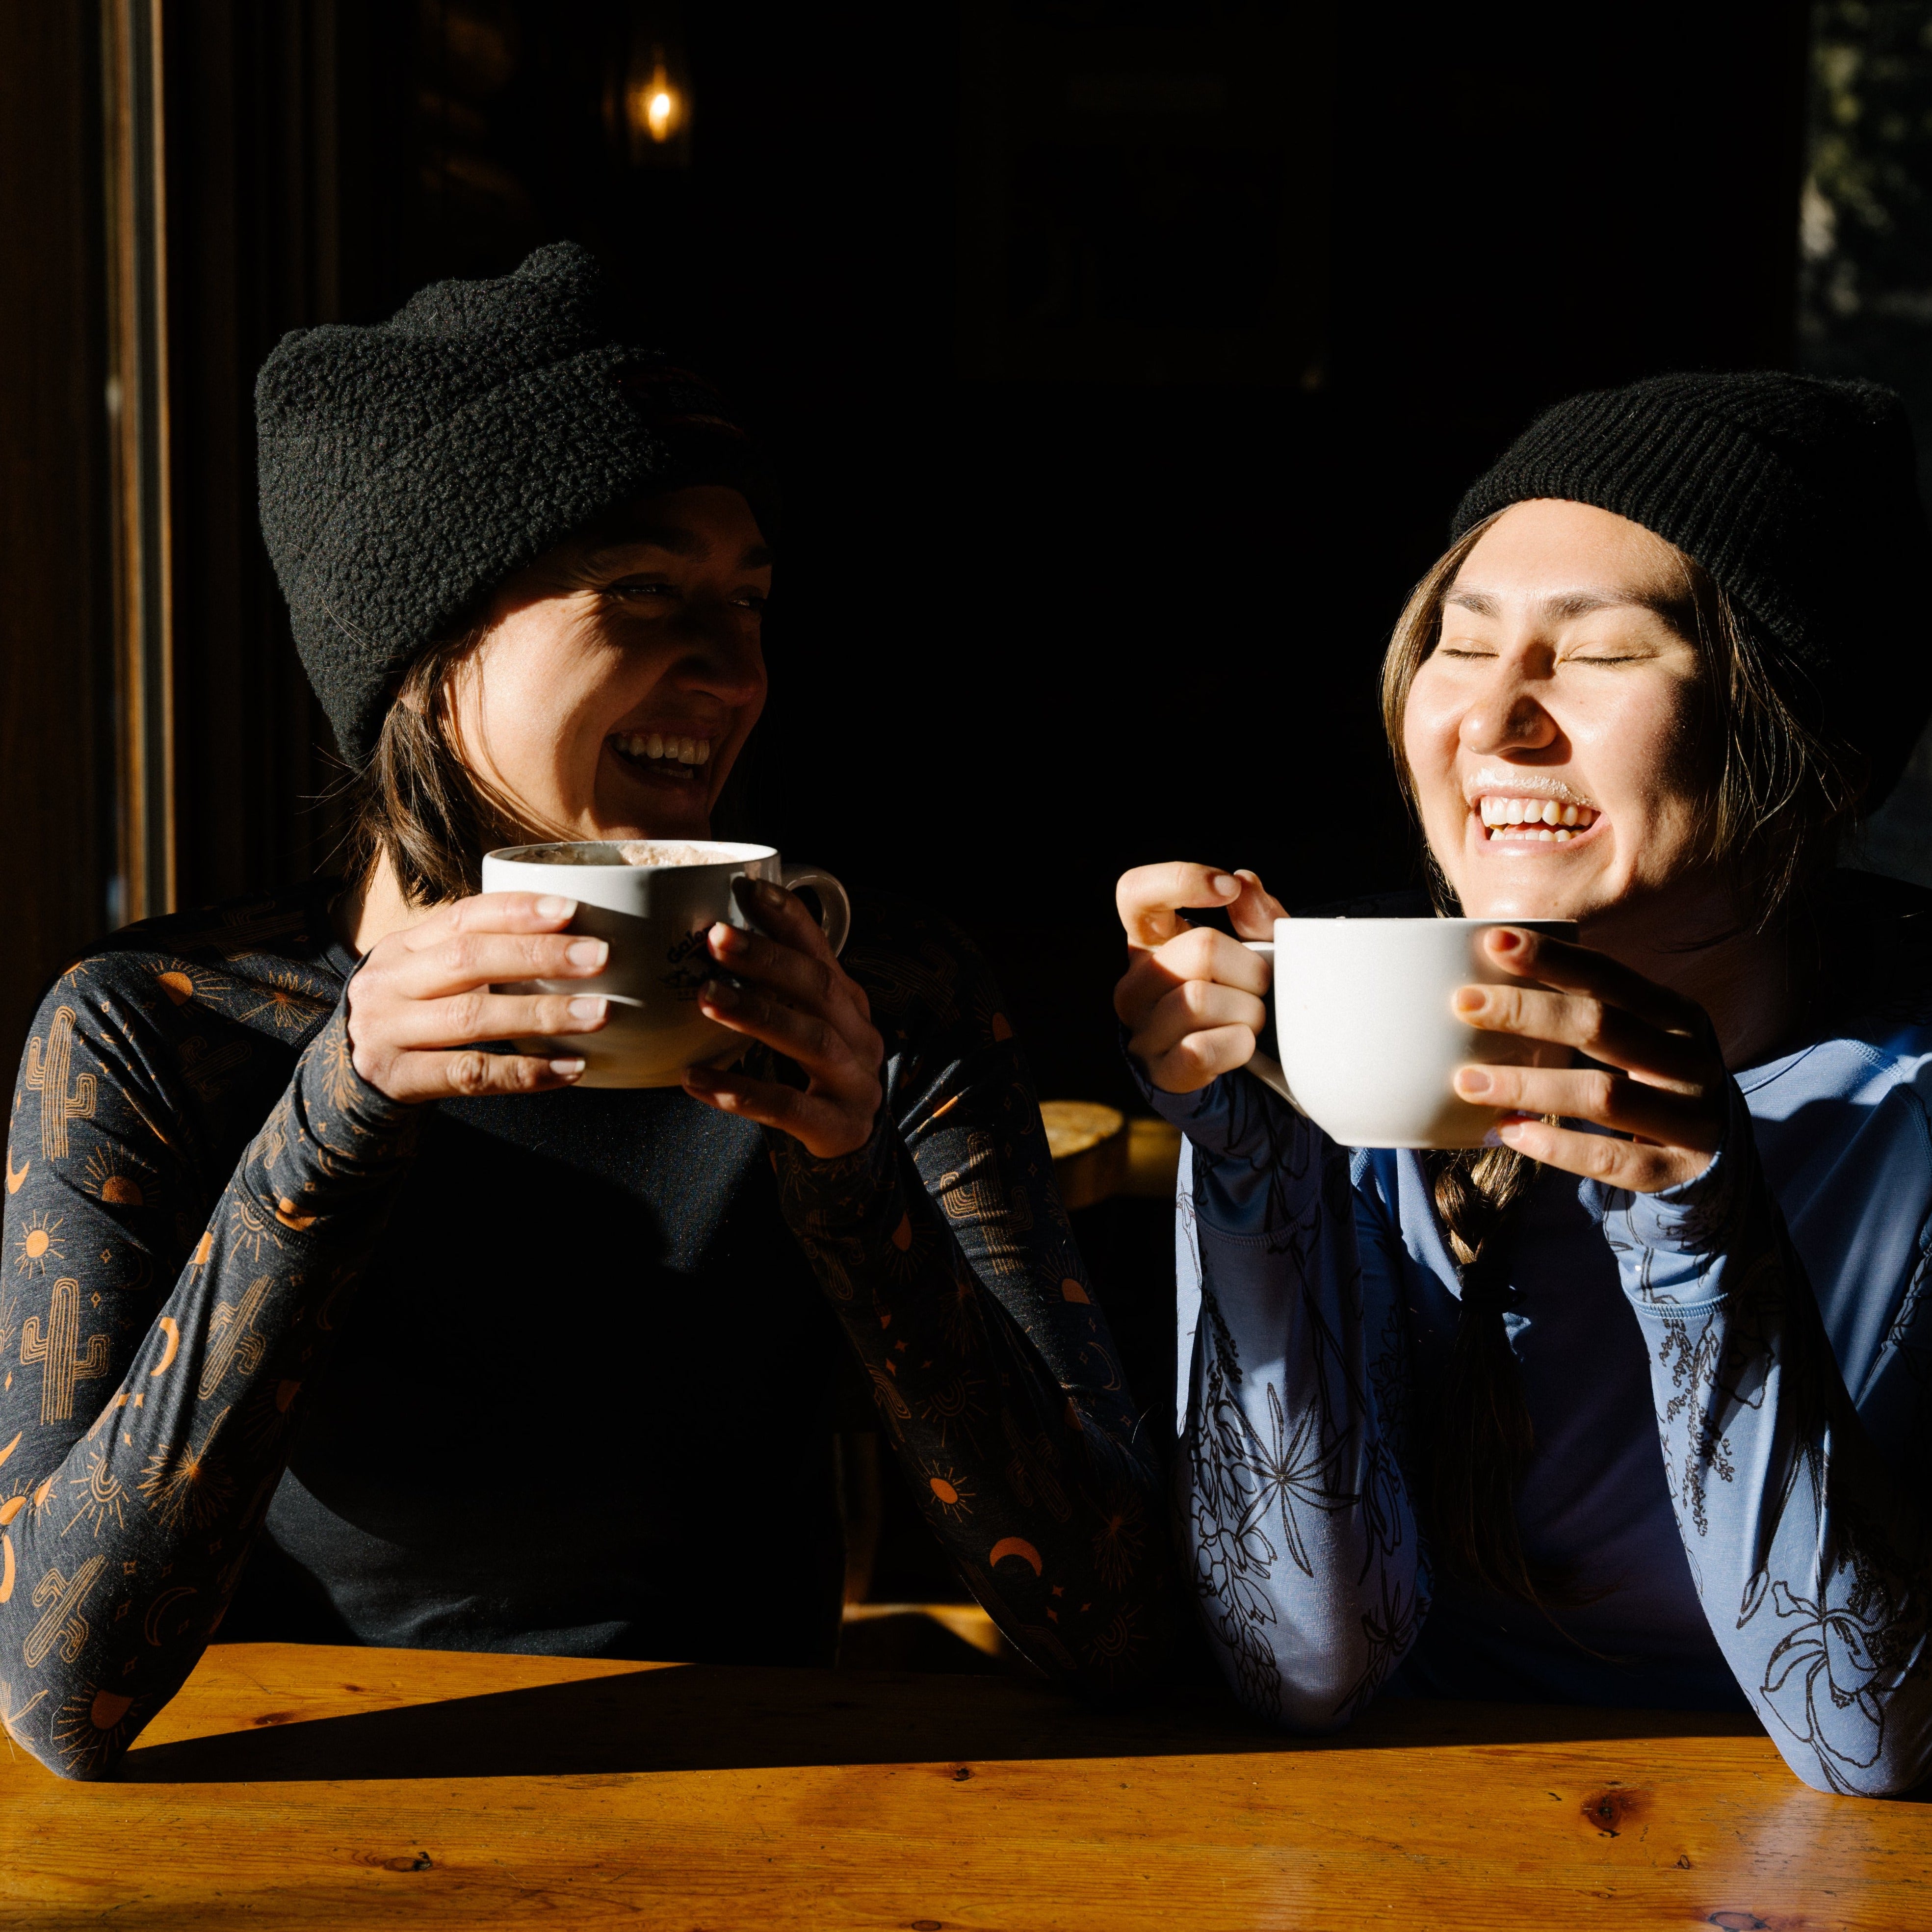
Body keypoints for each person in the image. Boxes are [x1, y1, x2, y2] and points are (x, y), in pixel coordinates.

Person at [0, 243, 1169, 1779]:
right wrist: (334, 1121)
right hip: (305, 1834)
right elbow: (60, 1693)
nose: (738, 668)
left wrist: (846, 1172)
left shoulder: (880, 999)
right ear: (423, 656)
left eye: (751, 600)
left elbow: (1111, 1621)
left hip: (778, 1819)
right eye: (642, 591)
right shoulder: (158, 1030)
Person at [1115, 372, 1932, 1797]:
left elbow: (1872, 1744)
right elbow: (1304, 1667)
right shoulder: (1347, 1031)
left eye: (1601, 654)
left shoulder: (1902, 1108)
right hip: (1396, 1836)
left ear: (1801, 738)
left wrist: (1698, 1224)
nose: (1493, 719)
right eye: (1457, 643)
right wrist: (1256, 1182)